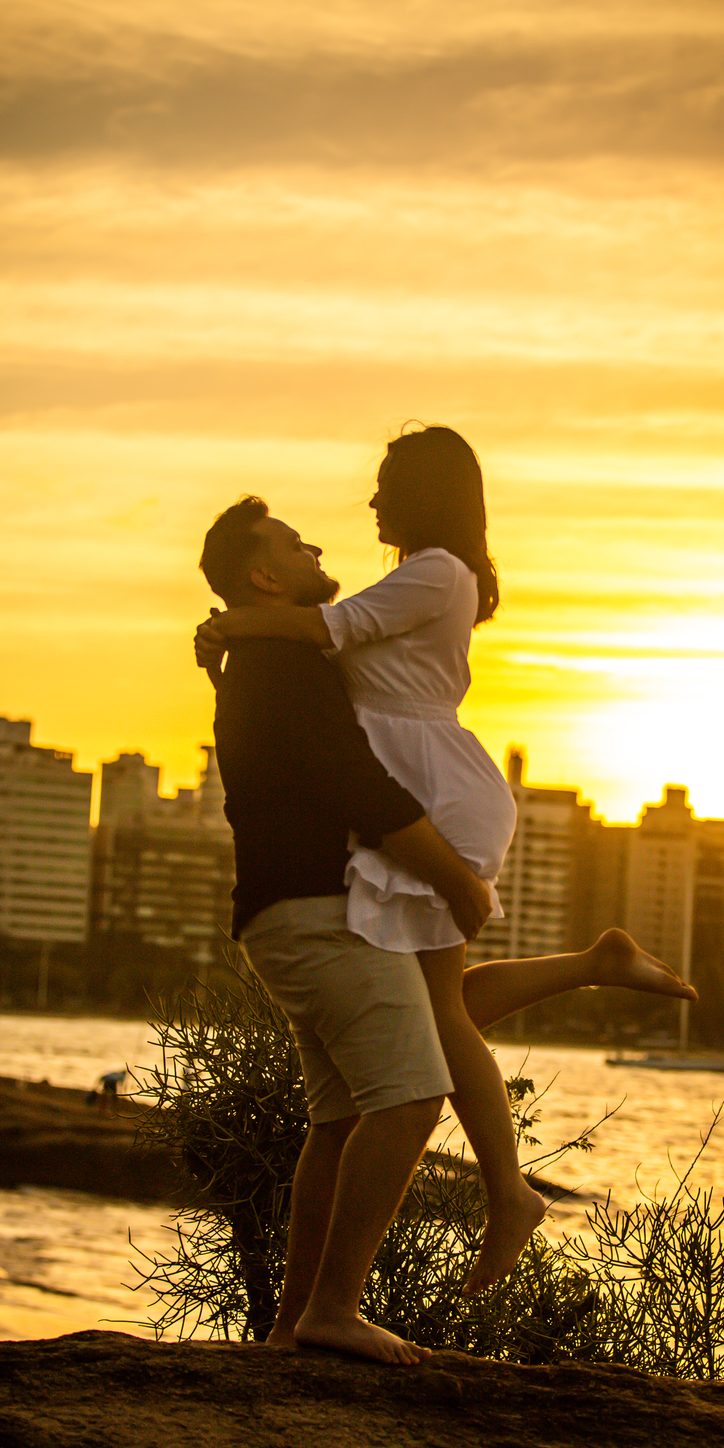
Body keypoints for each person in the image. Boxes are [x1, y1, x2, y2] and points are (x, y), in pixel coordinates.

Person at [197, 427, 696, 1303]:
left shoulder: (440, 572)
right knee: (440, 1007)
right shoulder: (415, 575)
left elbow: (328, 630)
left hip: (425, 792)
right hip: (408, 786)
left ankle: (507, 1192)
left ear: (425, 491)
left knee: (437, 1022)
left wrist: (229, 622)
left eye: (386, 483)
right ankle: (588, 976)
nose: (373, 500)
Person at [201, 495, 495, 1364]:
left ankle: (295, 1323)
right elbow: (354, 784)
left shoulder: (262, 658)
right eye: (292, 543)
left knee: (336, 1123)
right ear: (264, 574)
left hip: (290, 914)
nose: (314, 544)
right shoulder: (278, 666)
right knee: (409, 1099)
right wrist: (457, 881)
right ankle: (333, 1309)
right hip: (320, 913)